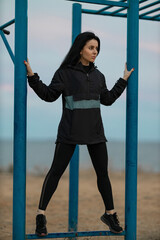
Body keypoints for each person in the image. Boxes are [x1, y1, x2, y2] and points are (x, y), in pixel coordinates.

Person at [24, 31, 134, 237]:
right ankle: (40, 216)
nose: (95, 52)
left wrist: (123, 80)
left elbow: (108, 99)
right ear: (81, 48)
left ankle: (110, 214)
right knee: (55, 172)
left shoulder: (98, 76)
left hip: (95, 132)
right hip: (69, 131)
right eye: (92, 48)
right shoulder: (64, 73)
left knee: (103, 174)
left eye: (97, 49)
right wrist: (32, 76)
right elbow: (48, 95)